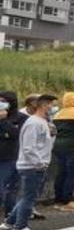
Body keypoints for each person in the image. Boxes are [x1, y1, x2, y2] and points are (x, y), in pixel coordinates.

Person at [1, 94, 57, 230]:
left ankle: (8, 224)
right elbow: (28, 147)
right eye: (50, 104)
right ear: (43, 105)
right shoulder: (34, 123)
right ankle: (20, 229)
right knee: (29, 198)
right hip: (32, 166)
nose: (52, 107)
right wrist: (40, 163)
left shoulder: (41, 122)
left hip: (32, 165)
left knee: (25, 196)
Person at [0, 91, 29, 221]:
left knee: (11, 189)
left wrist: (4, 121)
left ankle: (10, 217)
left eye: (3, 101)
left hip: (12, 157)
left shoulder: (21, 118)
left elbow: (16, 134)